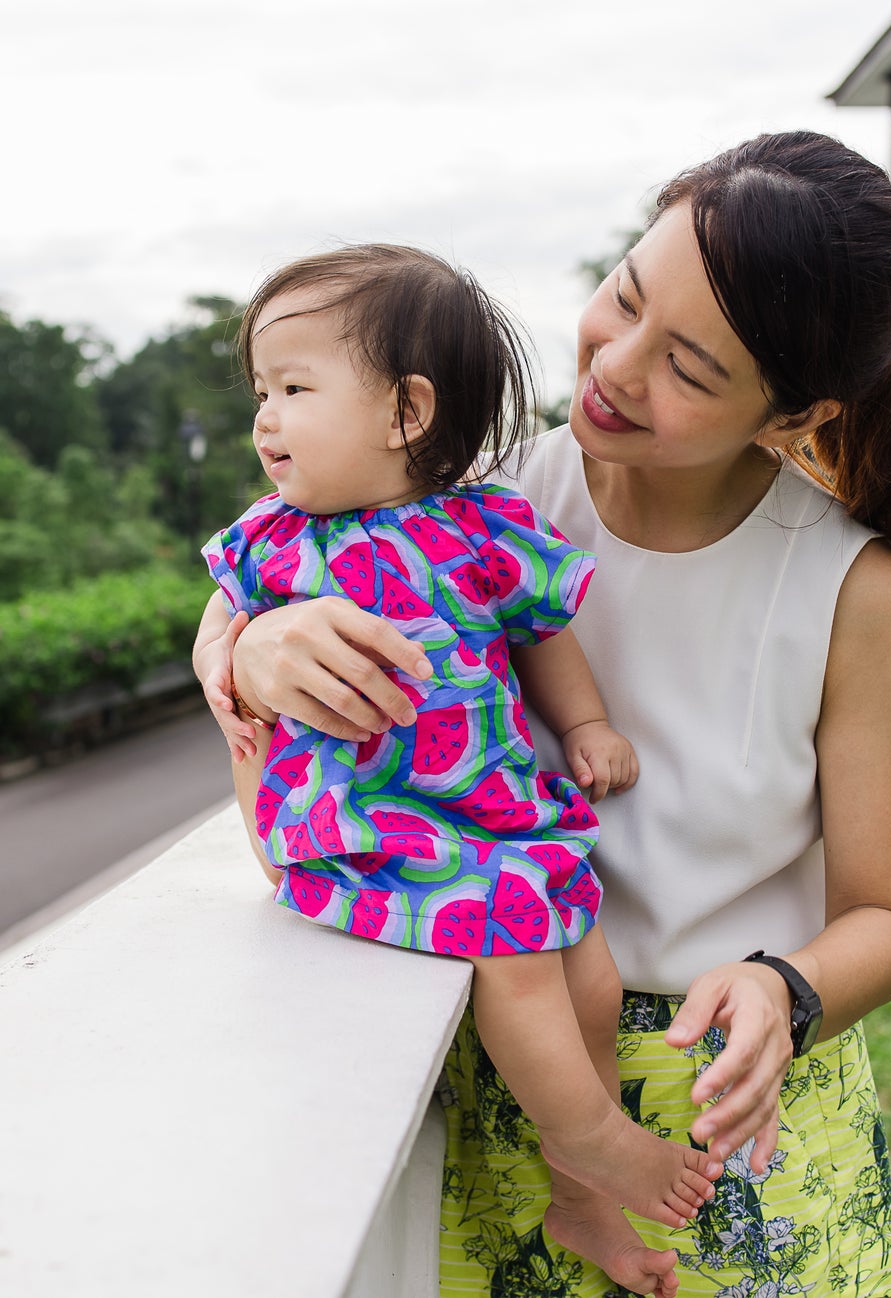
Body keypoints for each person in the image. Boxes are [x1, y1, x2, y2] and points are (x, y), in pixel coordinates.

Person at [205, 131, 891, 1297]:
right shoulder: (472, 496)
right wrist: (250, 649)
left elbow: (881, 917)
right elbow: (252, 589)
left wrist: (785, 986)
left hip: (739, 1139)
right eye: (622, 295)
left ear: (791, 412)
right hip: (503, 1102)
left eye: (689, 369)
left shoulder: (857, 593)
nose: (614, 366)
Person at [191, 244, 723, 1298]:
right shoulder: (276, 540)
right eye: (261, 392)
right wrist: (230, 654)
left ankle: (577, 1199)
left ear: (407, 411)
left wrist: (586, 724)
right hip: (366, 825)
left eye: (293, 389)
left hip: (487, 813)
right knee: (514, 958)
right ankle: (595, 1137)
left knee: (591, 972)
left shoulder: (485, 521)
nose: (264, 419)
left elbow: (542, 635)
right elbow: (223, 627)